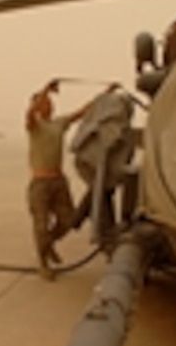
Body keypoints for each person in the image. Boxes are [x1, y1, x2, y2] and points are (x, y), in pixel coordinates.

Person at [26, 78, 118, 280]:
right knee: (40, 225)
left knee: (68, 221)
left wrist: (106, 92)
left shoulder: (58, 124)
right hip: (40, 183)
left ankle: (47, 244)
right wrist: (45, 90)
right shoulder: (35, 126)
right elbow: (29, 114)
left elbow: (82, 111)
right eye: (45, 103)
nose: (49, 106)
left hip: (58, 181)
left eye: (50, 103)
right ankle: (43, 264)